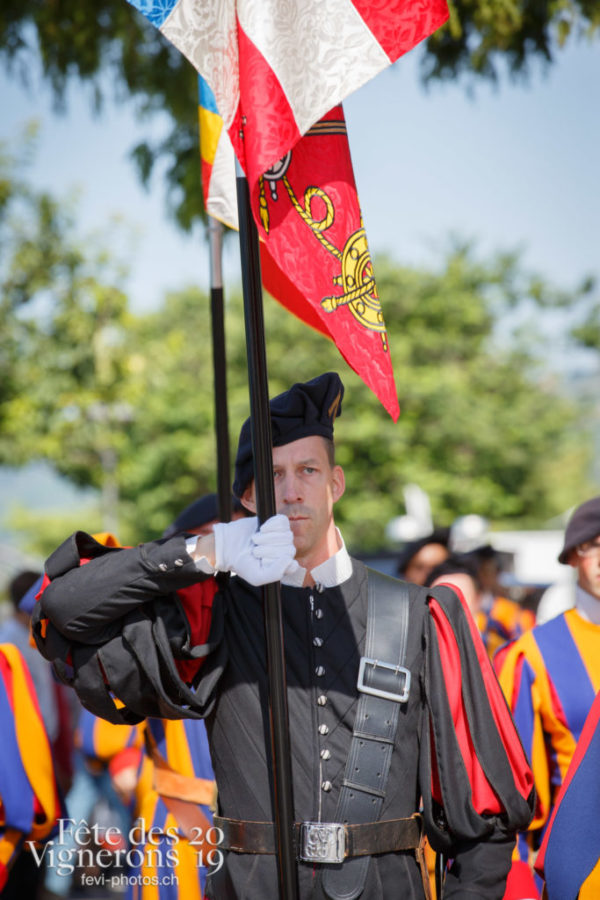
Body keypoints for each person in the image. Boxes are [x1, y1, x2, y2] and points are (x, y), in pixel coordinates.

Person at [32, 372, 534, 899]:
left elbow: (485, 819)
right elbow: (64, 608)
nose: (292, 492)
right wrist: (206, 553)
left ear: (335, 483)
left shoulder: (420, 615)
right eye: (273, 475)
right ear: (250, 497)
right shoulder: (215, 609)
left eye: (308, 470)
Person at [495, 495, 600, 899]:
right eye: (594, 544)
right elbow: (513, 792)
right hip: (576, 864)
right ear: (573, 555)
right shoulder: (533, 655)